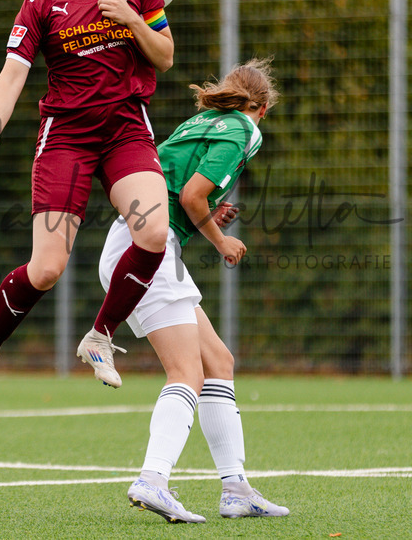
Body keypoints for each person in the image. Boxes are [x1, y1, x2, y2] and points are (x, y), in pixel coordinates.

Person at [0, 0, 174, 414]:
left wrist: (131, 20)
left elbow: (164, 56)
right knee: (47, 268)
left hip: (125, 130)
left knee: (154, 233)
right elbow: (12, 75)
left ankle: (99, 336)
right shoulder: (41, 1)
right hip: (67, 140)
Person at [99, 58, 289, 524]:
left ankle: (236, 488)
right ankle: (153, 480)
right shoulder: (247, 129)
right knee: (186, 371)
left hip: (136, 241)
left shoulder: (203, 119)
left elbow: (181, 191)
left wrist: (207, 216)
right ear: (262, 108)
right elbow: (190, 197)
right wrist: (222, 240)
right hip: (149, 250)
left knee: (217, 361)